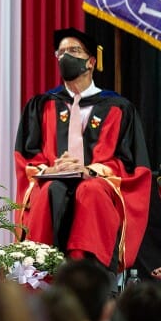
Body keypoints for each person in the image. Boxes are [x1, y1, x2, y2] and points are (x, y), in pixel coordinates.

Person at [14, 27, 152, 271]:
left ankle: (88, 273)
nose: (66, 56)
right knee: (51, 190)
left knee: (91, 190)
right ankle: (42, 272)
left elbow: (131, 165)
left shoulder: (119, 108)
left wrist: (91, 169)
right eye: (62, 52)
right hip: (52, 180)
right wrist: (52, 168)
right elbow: (27, 156)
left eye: (74, 51)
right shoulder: (41, 105)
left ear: (91, 62)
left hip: (98, 183)